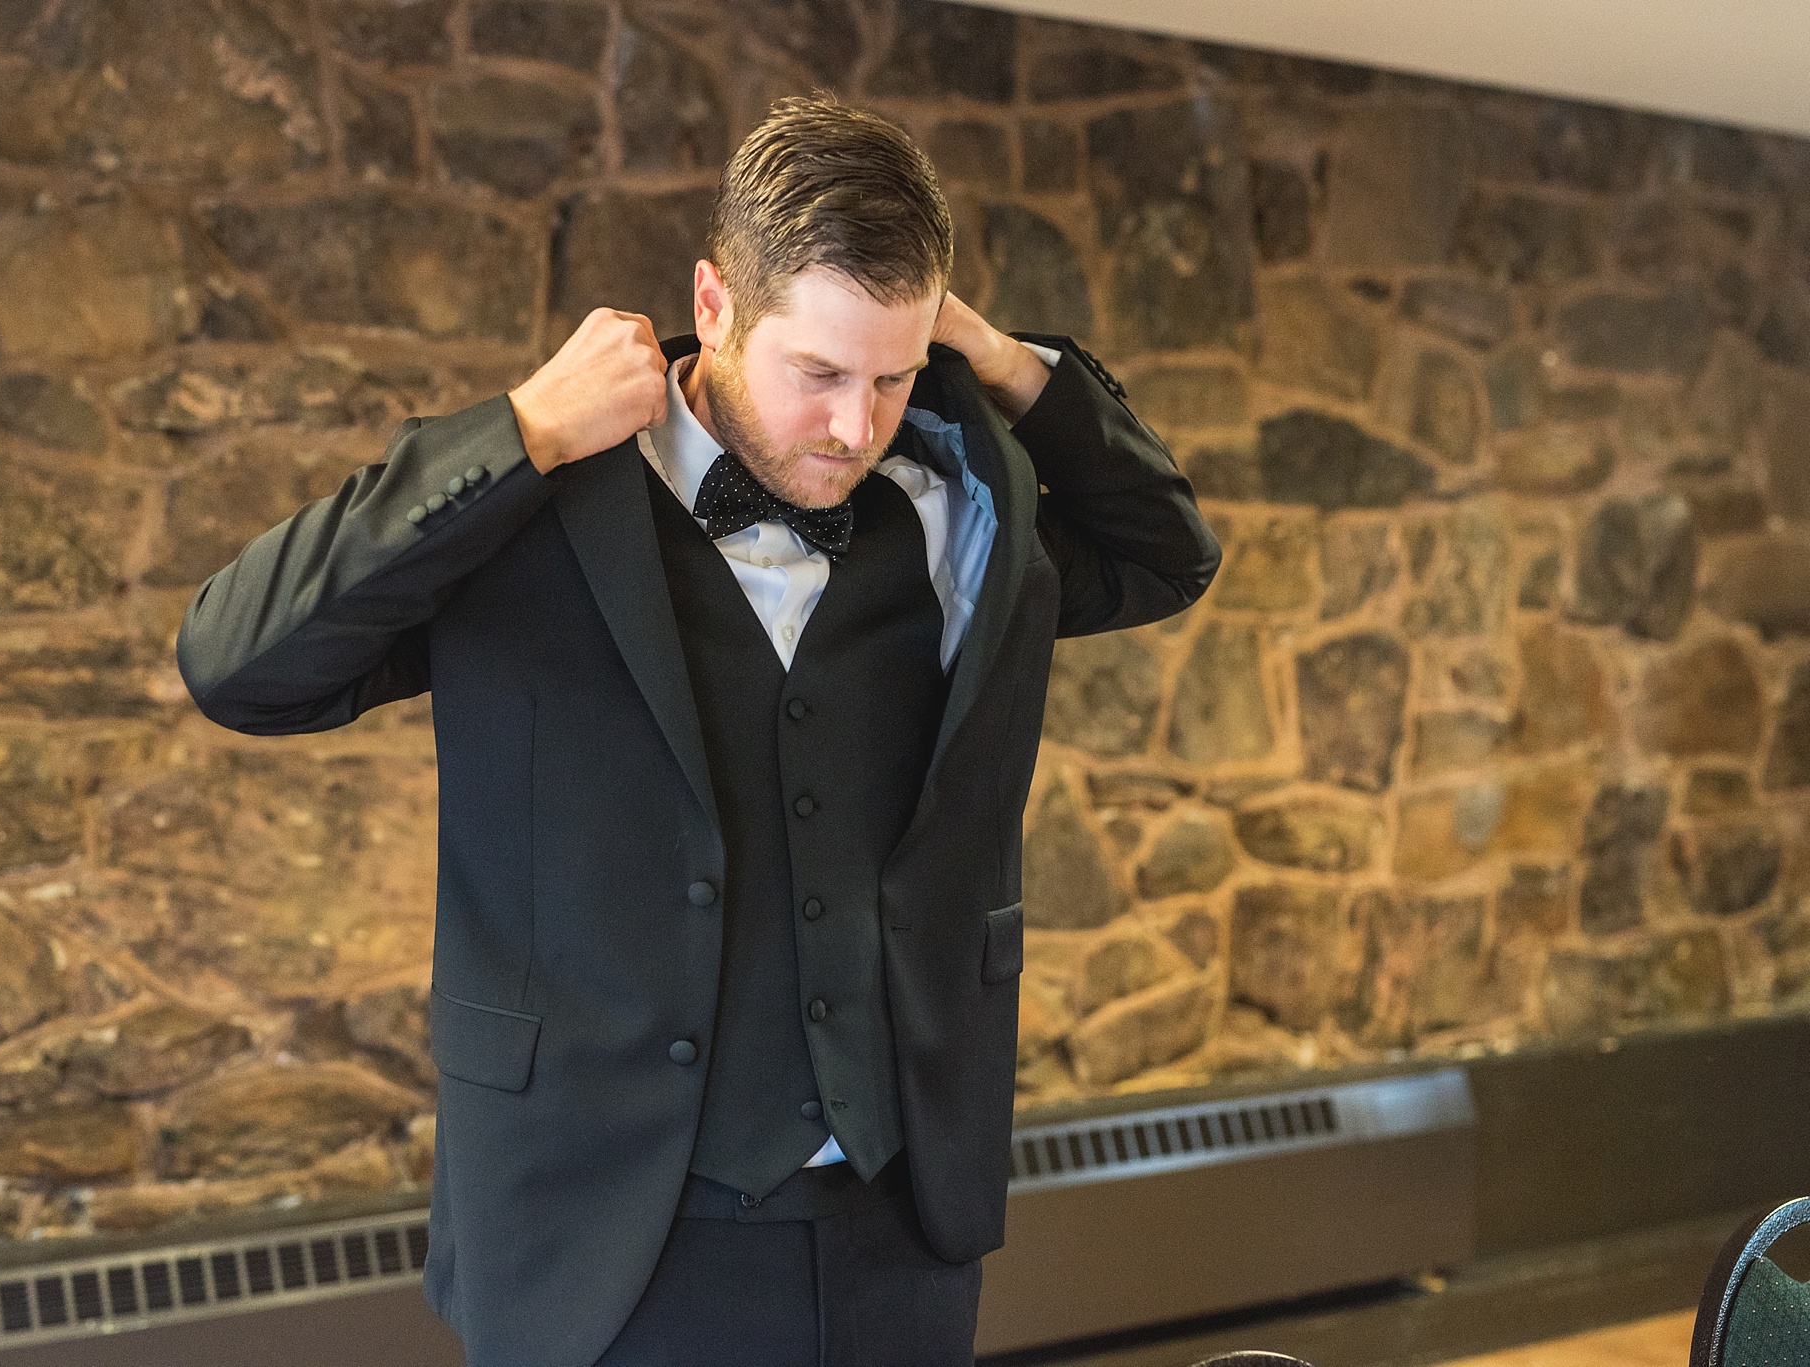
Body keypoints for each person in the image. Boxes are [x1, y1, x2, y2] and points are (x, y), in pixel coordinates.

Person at [177, 94, 1219, 1367]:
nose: (854, 425)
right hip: (602, 1240)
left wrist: (1001, 359)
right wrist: (521, 430)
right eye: (818, 373)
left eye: (892, 376)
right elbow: (238, 664)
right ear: (713, 305)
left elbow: (1168, 554)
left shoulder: (958, 508)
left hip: (898, 1218)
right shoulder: (531, 505)